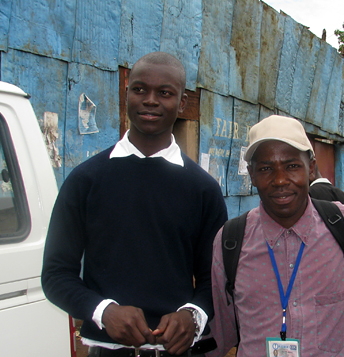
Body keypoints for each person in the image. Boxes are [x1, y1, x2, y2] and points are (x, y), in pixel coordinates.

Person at [41, 52, 228, 357]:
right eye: (140, 89)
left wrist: (194, 314)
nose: (150, 100)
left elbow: (215, 280)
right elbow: (55, 274)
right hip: (106, 351)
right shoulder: (85, 180)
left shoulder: (203, 189)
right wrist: (104, 310)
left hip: (177, 352)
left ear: (181, 103)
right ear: (126, 93)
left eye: (165, 93)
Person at [207, 115, 344, 357]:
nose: (280, 180)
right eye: (266, 169)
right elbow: (221, 325)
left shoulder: (343, 224)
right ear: (252, 175)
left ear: (311, 168)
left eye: (292, 166)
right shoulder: (231, 240)